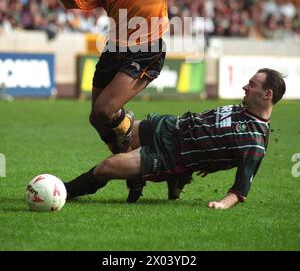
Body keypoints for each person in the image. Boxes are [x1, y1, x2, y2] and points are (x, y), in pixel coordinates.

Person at [56, 0, 237, 201]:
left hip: (147, 46)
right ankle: (137, 172)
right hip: (115, 48)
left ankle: (139, 164)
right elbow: (74, 0)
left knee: (106, 110)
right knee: (97, 119)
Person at [63, 68, 286, 209]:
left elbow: (240, 188)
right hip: (170, 125)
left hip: (172, 155)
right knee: (118, 132)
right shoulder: (243, 108)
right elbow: (217, 133)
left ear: (267, 95)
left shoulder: (254, 142)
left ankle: (63, 191)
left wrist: (222, 204)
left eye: (252, 85)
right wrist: (212, 158)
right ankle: (153, 178)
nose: (245, 87)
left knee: (107, 167)